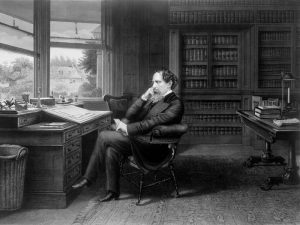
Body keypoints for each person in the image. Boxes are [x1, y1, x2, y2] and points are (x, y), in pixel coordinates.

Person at [72, 69, 184, 202]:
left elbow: (151, 123)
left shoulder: (175, 104)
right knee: (110, 150)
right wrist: (144, 98)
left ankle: (88, 178)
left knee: (103, 136)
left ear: (169, 83)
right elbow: (130, 115)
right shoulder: (155, 98)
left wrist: (126, 128)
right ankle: (112, 191)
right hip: (140, 141)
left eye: (158, 82)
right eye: (153, 82)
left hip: (154, 147)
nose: (153, 86)